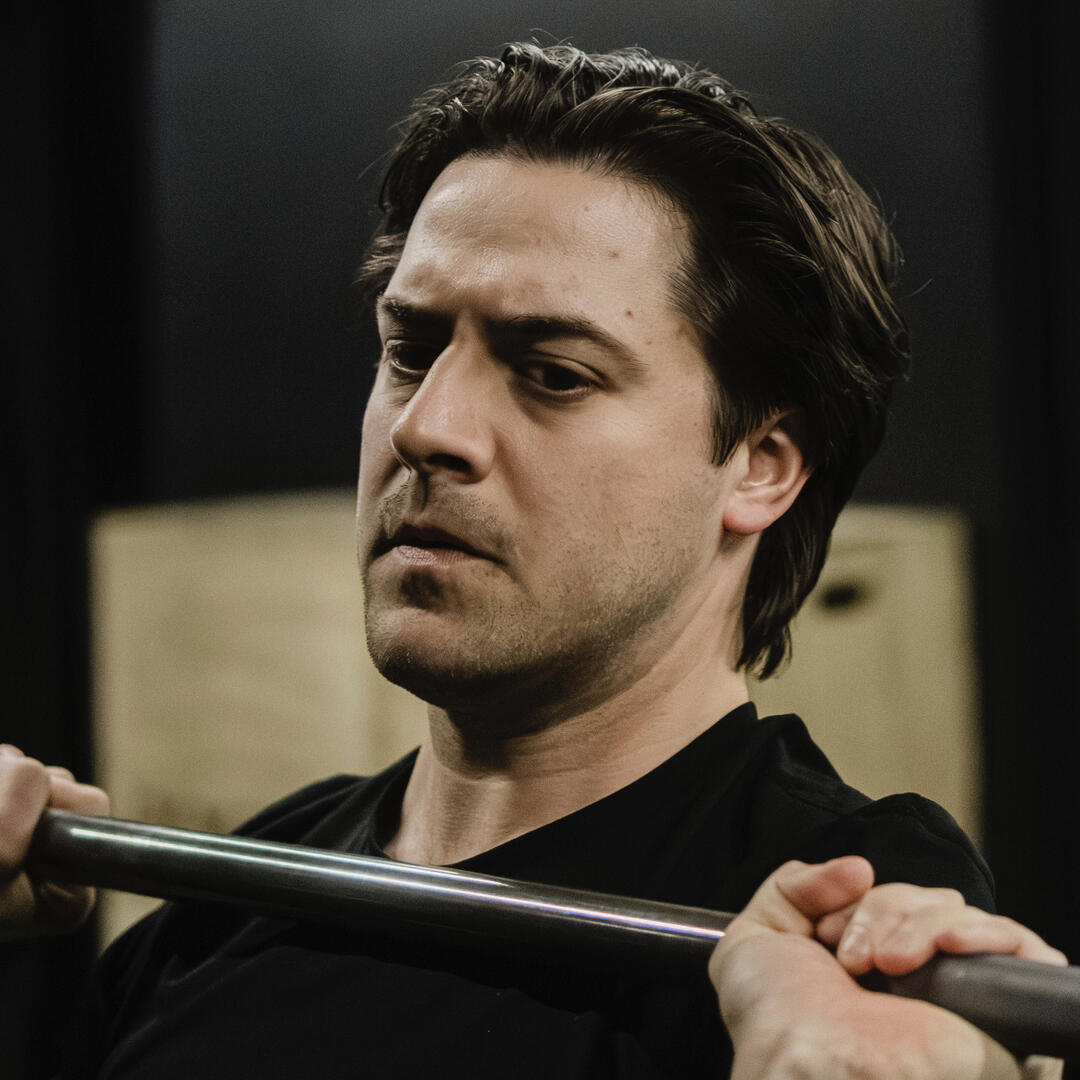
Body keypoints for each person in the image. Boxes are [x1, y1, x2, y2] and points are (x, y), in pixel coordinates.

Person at [0, 42, 1067, 1079]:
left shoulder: (836, 919)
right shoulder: (249, 888)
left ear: (761, 466)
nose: (427, 428)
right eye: (411, 350)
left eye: (553, 373)